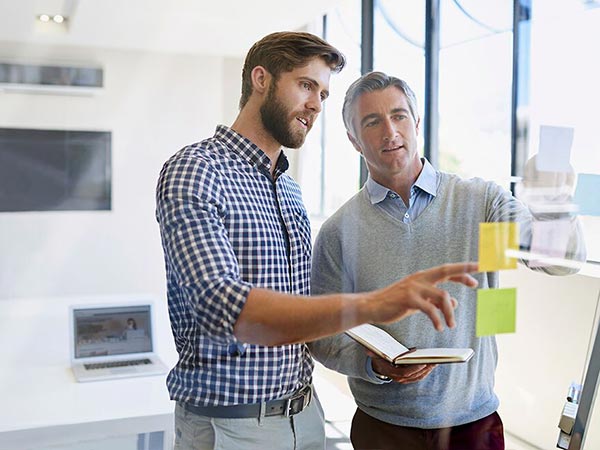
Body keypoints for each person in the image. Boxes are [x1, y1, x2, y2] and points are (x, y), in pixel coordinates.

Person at [155, 34, 479, 450]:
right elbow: (221, 305)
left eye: (323, 94)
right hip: (231, 427)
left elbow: (304, 315)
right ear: (261, 79)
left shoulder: (290, 191)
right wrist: (378, 303)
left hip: (306, 416)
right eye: (306, 85)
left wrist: (374, 358)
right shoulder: (196, 170)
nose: (316, 105)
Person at [308, 71, 586, 450]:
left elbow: (557, 261)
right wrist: (374, 366)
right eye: (372, 122)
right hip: (382, 428)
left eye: (399, 115)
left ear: (416, 122)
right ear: (354, 140)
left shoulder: (481, 203)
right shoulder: (340, 231)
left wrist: (555, 202)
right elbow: (323, 335)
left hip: (473, 425)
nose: (390, 131)